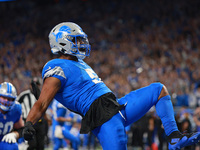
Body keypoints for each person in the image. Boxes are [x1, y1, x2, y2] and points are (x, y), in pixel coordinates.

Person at [22, 22, 200, 150]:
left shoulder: (78, 63)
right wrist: (29, 122)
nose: (81, 44)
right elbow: (42, 103)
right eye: (76, 40)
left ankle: (173, 137)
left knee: (158, 89)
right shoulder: (56, 66)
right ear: (62, 42)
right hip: (103, 118)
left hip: (117, 107)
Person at [17, 77, 49, 150]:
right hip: (29, 122)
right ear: (30, 85)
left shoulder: (42, 96)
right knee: (32, 145)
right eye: (33, 84)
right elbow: (15, 104)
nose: (35, 86)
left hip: (40, 122)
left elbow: (44, 108)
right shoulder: (24, 95)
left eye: (37, 84)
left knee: (41, 145)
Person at [0, 82, 24, 150]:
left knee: (12, 146)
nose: (6, 101)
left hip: (3, 140)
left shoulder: (16, 109)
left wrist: (14, 134)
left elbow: (21, 129)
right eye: (4, 97)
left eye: (9, 99)